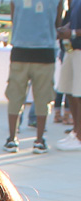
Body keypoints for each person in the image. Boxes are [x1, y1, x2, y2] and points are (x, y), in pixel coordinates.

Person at [2, 0, 63, 154]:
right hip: (45, 51)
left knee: (15, 96)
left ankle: (11, 138)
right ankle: (39, 140)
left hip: (20, 49)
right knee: (43, 97)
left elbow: (13, 17)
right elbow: (58, 21)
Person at [56, 0, 81, 150]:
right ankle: (75, 131)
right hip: (70, 50)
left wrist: (72, 32)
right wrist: (65, 28)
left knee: (79, 95)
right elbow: (70, 20)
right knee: (69, 92)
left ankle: (79, 136)